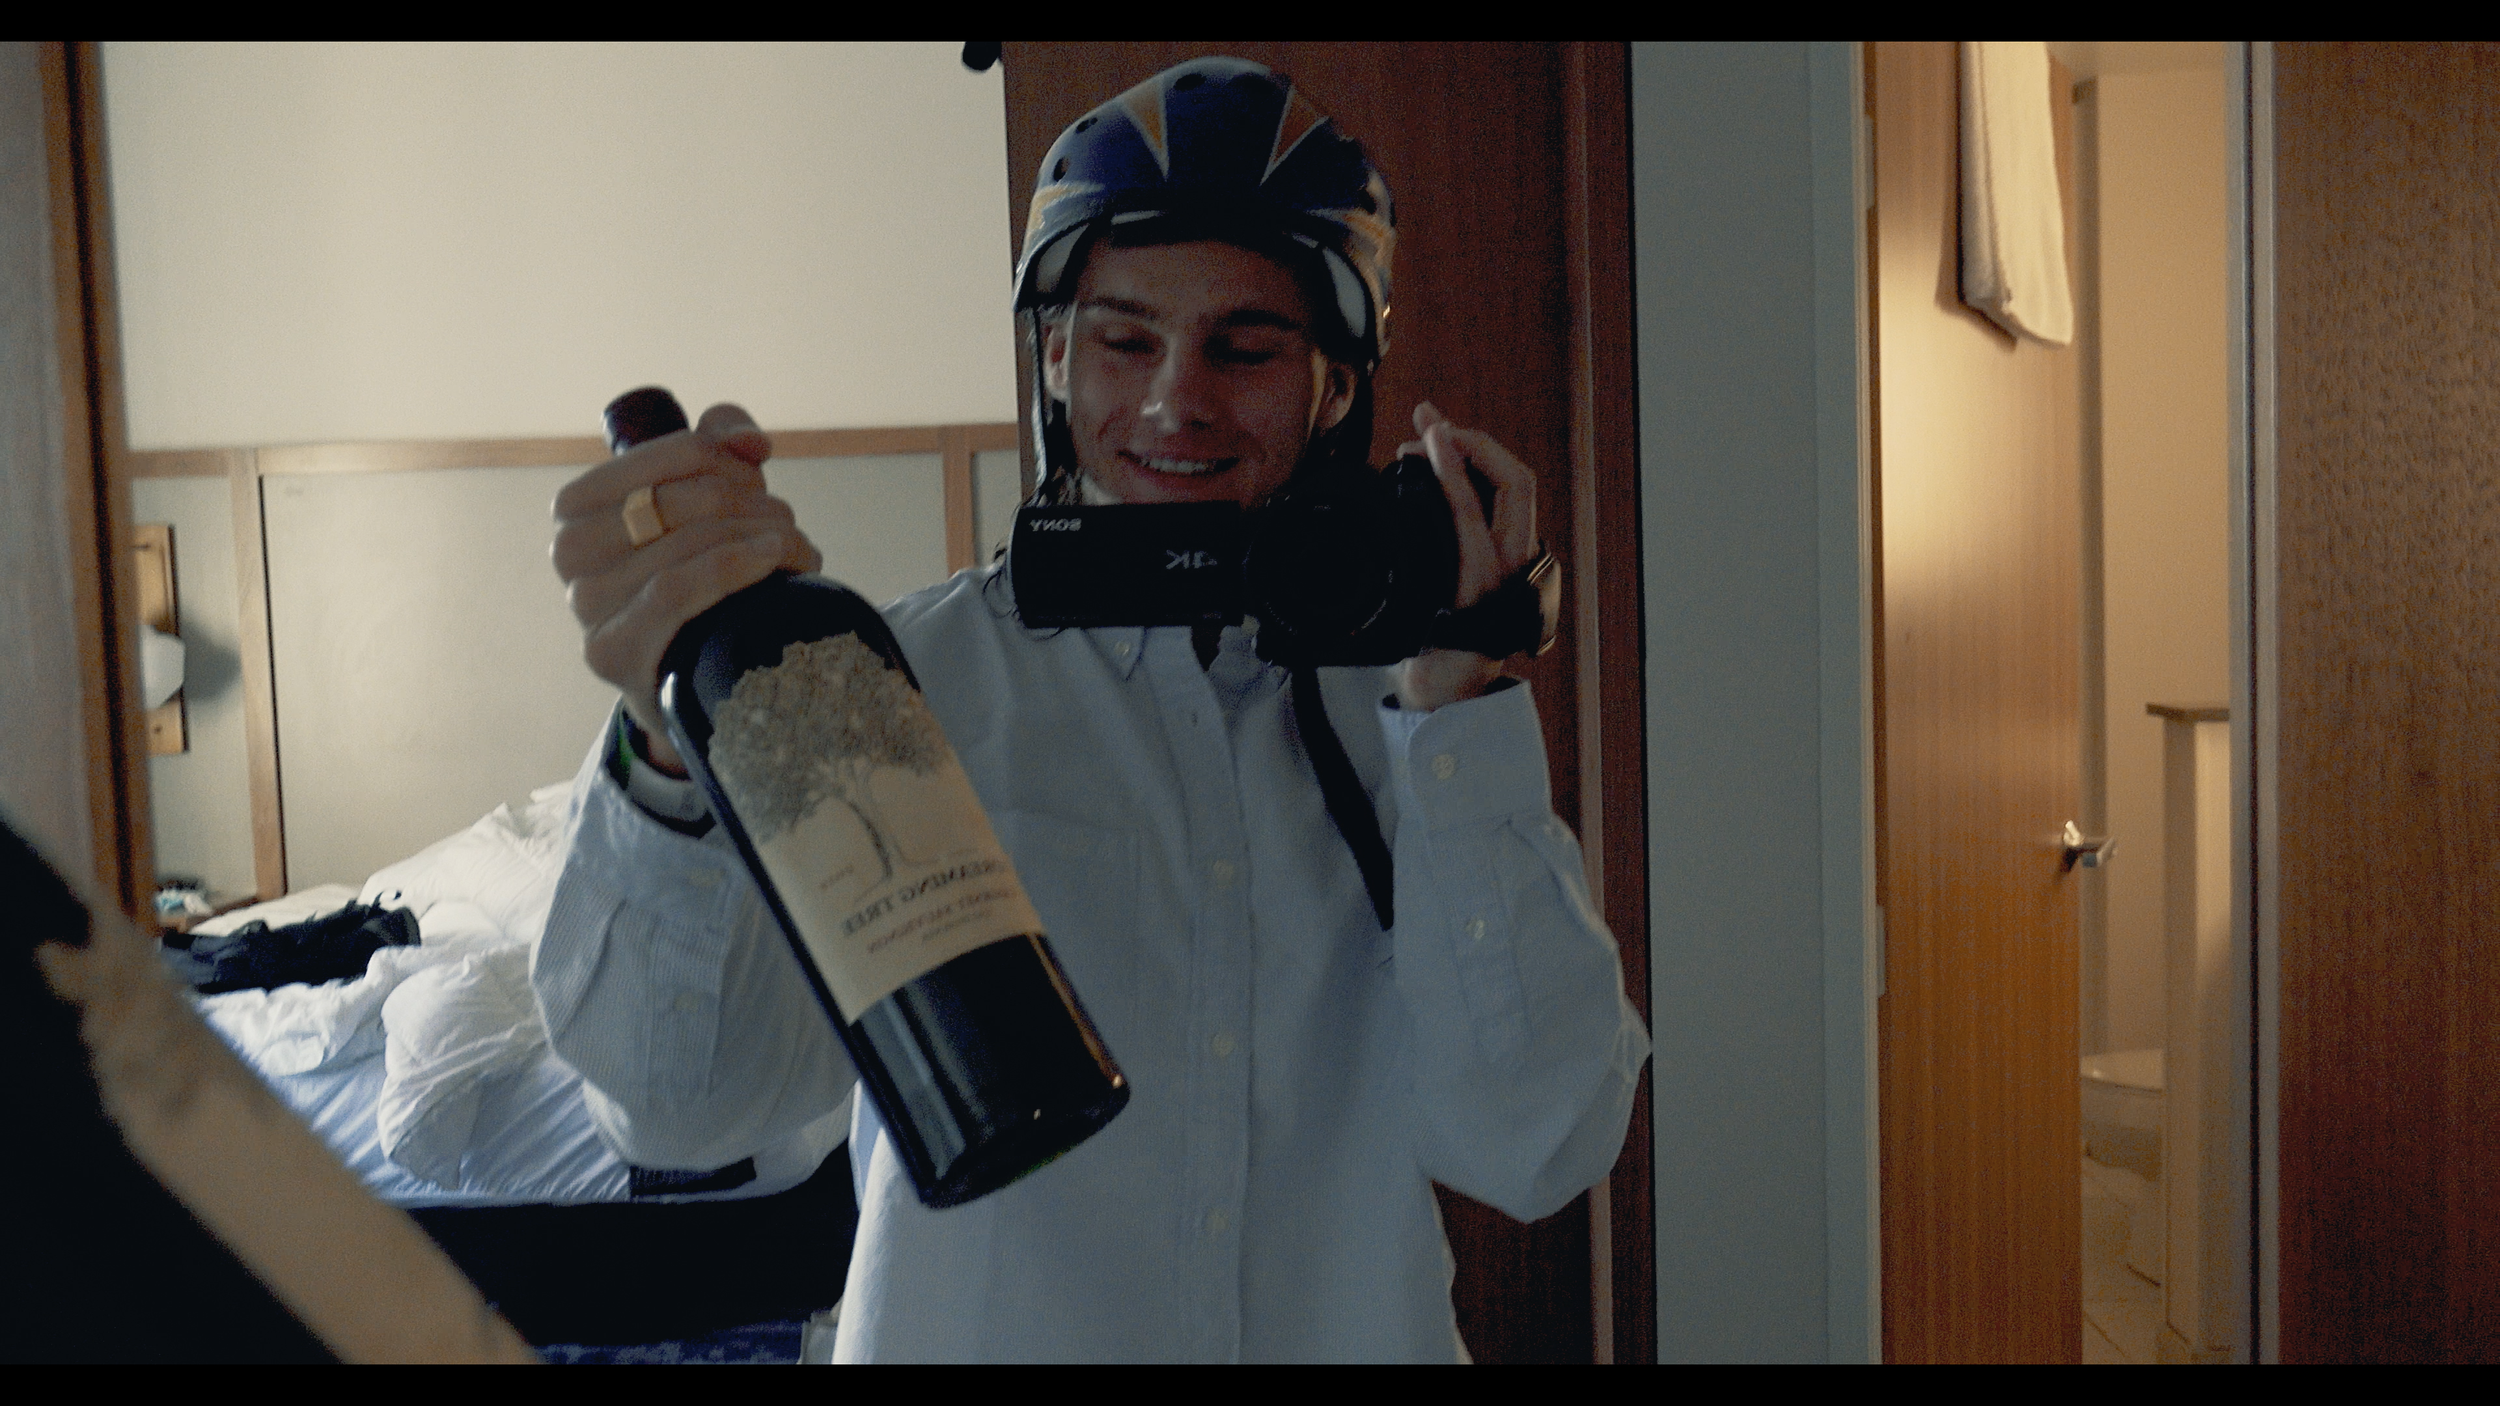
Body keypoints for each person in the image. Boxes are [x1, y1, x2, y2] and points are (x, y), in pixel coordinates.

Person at [535, 56, 1649, 1362]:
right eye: (1126, 340)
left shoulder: (1418, 718)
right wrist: (674, 746)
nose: (1178, 399)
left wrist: (1462, 707)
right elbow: (689, 1113)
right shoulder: (889, 685)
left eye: (1246, 347)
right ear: (1057, 358)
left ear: (1337, 386)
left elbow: (1537, 1142)